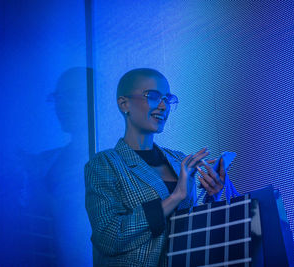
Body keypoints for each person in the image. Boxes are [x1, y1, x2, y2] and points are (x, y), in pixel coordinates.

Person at [84, 68, 229, 266]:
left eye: (167, 99)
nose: (163, 106)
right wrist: (176, 195)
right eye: (152, 96)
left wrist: (212, 196)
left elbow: (190, 231)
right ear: (124, 104)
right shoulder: (105, 163)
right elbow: (109, 237)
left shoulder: (178, 160)